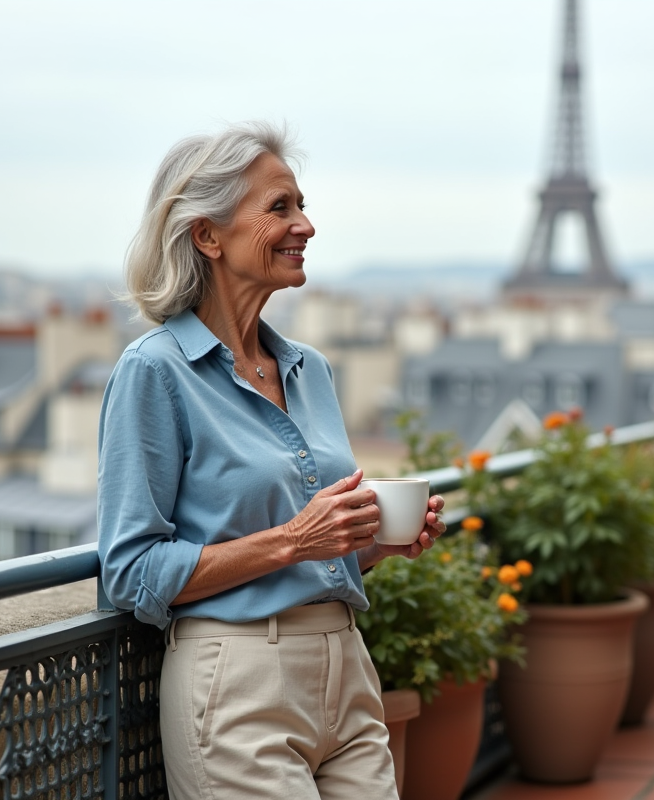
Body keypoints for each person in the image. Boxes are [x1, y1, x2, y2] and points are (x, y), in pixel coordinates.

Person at [97, 121, 446, 799]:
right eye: (280, 207)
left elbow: (310, 543)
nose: (306, 225)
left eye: (302, 205)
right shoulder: (155, 372)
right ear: (208, 235)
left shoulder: (309, 370)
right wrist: (294, 540)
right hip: (237, 680)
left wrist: (370, 545)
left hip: (345, 664)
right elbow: (131, 572)